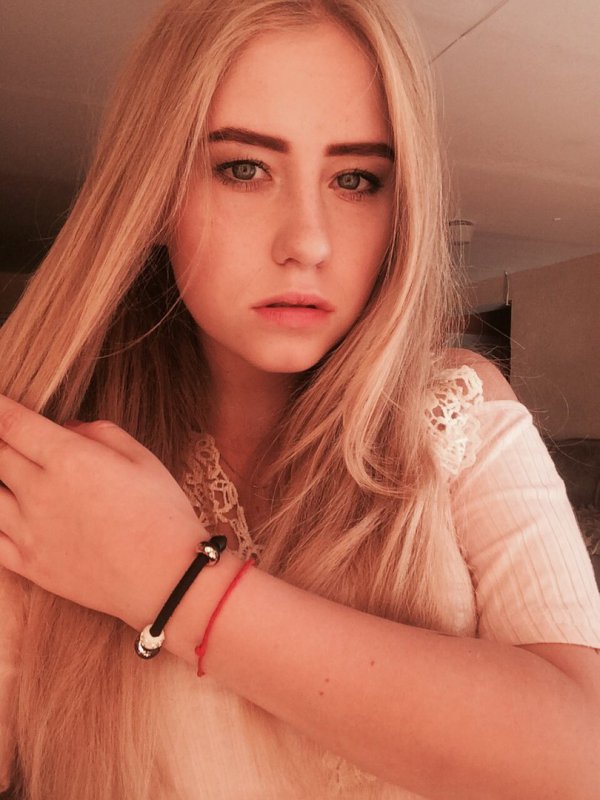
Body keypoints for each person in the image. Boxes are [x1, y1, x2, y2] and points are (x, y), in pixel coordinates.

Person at [0, 0, 599, 798]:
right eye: (244, 168)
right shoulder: (50, 466)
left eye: (355, 179)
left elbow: (581, 758)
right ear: (154, 190)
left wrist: (171, 581)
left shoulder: (455, 412)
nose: (308, 242)